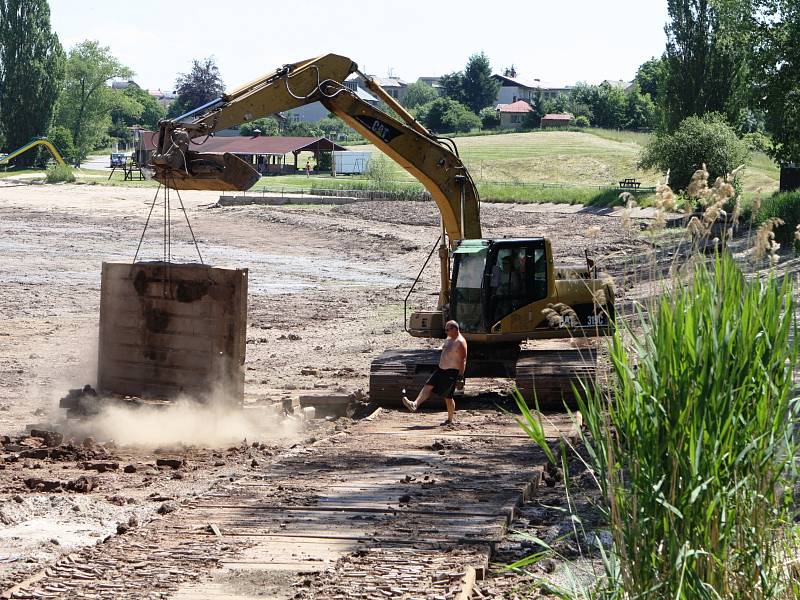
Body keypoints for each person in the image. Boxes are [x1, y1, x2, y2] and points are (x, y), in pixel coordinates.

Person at [402, 320, 467, 425]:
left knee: (448, 397)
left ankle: (450, 420)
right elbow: (445, 344)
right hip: (441, 370)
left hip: (451, 372)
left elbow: (463, 360)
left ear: (454, 329)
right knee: (428, 386)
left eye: (447, 330)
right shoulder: (450, 337)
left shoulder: (460, 342)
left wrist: (460, 376)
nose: (446, 332)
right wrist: (440, 348)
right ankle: (414, 404)